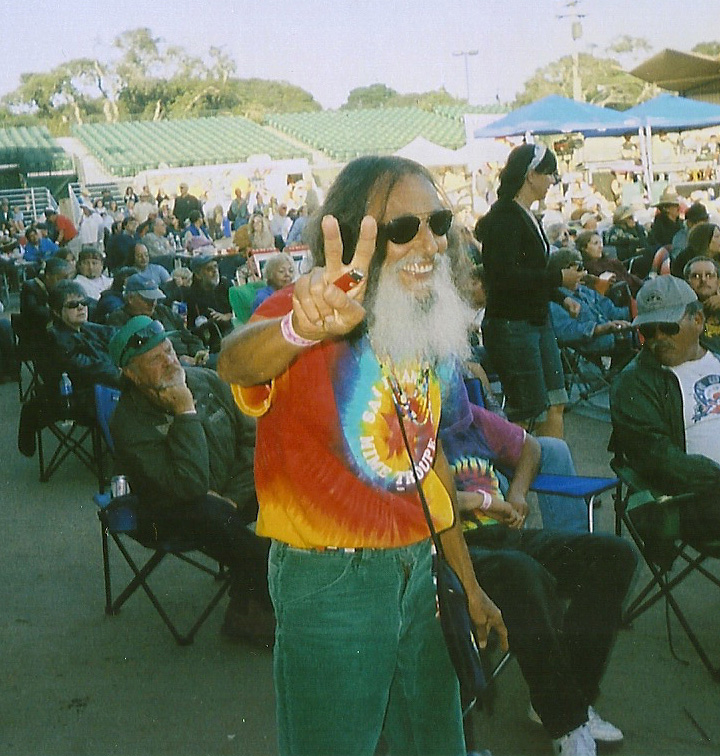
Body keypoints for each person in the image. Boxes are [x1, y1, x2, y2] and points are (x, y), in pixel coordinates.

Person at [217, 155, 507, 756]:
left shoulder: (416, 321)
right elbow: (234, 363)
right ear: (354, 236)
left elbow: (428, 463)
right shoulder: (308, 311)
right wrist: (299, 330)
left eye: (438, 223)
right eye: (402, 229)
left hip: (422, 573)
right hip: (334, 583)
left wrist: (468, 582)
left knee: (437, 745)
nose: (429, 243)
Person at [440, 368, 635, 756]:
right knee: (522, 573)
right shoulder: (408, 429)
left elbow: (530, 446)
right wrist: (482, 501)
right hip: (453, 549)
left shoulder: (471, 417)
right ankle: (566, 722)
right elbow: (417, 500)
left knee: (614, 556)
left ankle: (571, 698)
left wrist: (517, 492)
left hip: (505, 534)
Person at [107, 316, 273, 644]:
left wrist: (234, 497)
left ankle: (254, 598)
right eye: (155, 359)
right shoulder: (128, 423)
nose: (170, 361)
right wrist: (185, 412)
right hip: (172, 513)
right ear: (132, 375)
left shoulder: (206, 380)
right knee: (216, 520)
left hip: (231, 495)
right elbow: (189, 486)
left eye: (169, 350)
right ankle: (254, 611)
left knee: (290, 476)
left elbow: (254, 441)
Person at [474, 144, 584, 438]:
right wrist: (558, 278)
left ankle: (555, 463)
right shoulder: (505, 217)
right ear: (530, 175)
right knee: (527, 411)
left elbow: (529, 272)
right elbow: (504, 276)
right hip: (514, 326)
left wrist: (560, 296)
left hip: (534, 320)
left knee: (556, 400)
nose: (552, 180)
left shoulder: (524, 214)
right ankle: (523, 465)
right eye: (549, 173)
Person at [610, 275, 720, 543]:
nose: (658, 338)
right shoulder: (634, 383)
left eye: (668, 327)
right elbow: (658, 458)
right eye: (649, 331)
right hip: (697, 498)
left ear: (698, 320)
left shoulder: (717, 355)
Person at [46, 280, 121, 421]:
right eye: (72, 305)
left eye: (84, 302)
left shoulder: (85, 327)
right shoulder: (56, 338)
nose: (81, 307)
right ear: (56, 312)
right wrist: (121, 372)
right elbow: (86, 367)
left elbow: (117, 334)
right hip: (79, 397)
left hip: (105, 387)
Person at [547, 247, 635, 368]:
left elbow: (611, 310)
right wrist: (600, 329)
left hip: (617, 342)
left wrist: (636, 310)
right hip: (589, 355)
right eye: (579, 269)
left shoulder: (584, 291)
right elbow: (565, 332)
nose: (584, 273)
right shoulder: (555, 302)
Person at [108, 274, 209, 367]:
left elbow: (189, 336)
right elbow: (133, 356)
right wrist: (178, 359)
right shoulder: (118, 319)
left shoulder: (163, 311)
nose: (153, 304)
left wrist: (199, 352)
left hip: (191, 360)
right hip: (163, 367)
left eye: (155, 299)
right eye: (147, 299)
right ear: (130, 298)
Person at [19, 257, 74, 346]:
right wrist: (61, 312)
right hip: (37, 334)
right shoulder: (30, 287)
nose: (65, 282)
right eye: (59, 279)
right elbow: (34, 311)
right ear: (48, 276)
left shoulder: (62, 287)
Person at [575, 230, 643, 299]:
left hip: (635, 292)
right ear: (584, 248)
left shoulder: (611, 262)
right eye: (595, 243)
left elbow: (628, 277)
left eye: (600, 243)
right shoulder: (586, 271)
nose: (600, 246)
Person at [185, 256, 233, 352]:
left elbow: (242, 313)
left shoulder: (227, 285)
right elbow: (190, 328)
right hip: (209, 343)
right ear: (198, 275)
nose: (215, 271)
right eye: (209, 269)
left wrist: (226, 316)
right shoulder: (191, 295)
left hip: (231, 332)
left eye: (216, 266)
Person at [684, 256, 720, 350]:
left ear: (718, 281)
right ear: (687, 282)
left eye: (709, 275)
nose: (703, 279)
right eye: (696, 276)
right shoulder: (681, 312)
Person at [605, 205, 649, 274]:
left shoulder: (637, 229)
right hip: (626, 263)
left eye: (633, 217)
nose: (633, 220)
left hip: (639, 257)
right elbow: (619, 253)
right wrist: (635, 249)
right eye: (630, 218)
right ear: (622, 220)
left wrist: (639, 229)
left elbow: (645, 244)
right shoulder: (614, 233)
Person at [647, 188, 683, 253]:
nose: (678, 208)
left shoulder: (681, 224)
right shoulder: (658, 225)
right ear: (666, 209)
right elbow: (653, 246)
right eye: (675, 205)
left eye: (678, 205)